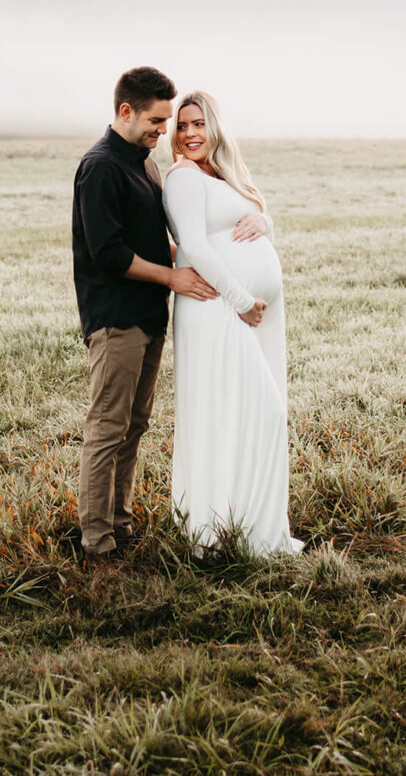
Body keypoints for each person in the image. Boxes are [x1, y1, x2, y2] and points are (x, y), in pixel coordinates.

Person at [70, 66, 217, 561]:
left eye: (167, 120)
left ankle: (119, 523)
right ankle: (97, 542)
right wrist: (173, 278)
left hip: (150, 317)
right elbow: (108, 252)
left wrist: (199, 258)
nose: (164, 130)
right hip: (116, 320)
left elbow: (150, 240)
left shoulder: (146, 165)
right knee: (107, 429)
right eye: (157, 121)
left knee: (134, 426)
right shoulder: (101, 167)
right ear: (126, 111)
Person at [163, 90, 303, 556]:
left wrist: (265, 223)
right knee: (249, 413)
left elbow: (252, 214)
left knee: (241, 414)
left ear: (215, 126)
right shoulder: (183, 176)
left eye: (198, 124)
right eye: (182, 126)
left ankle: (246, 527)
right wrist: (242, 300)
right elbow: (194, 246)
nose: (189, 134)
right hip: (217, 308)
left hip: (239, 311)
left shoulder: (219, 173)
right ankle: (221, 532)